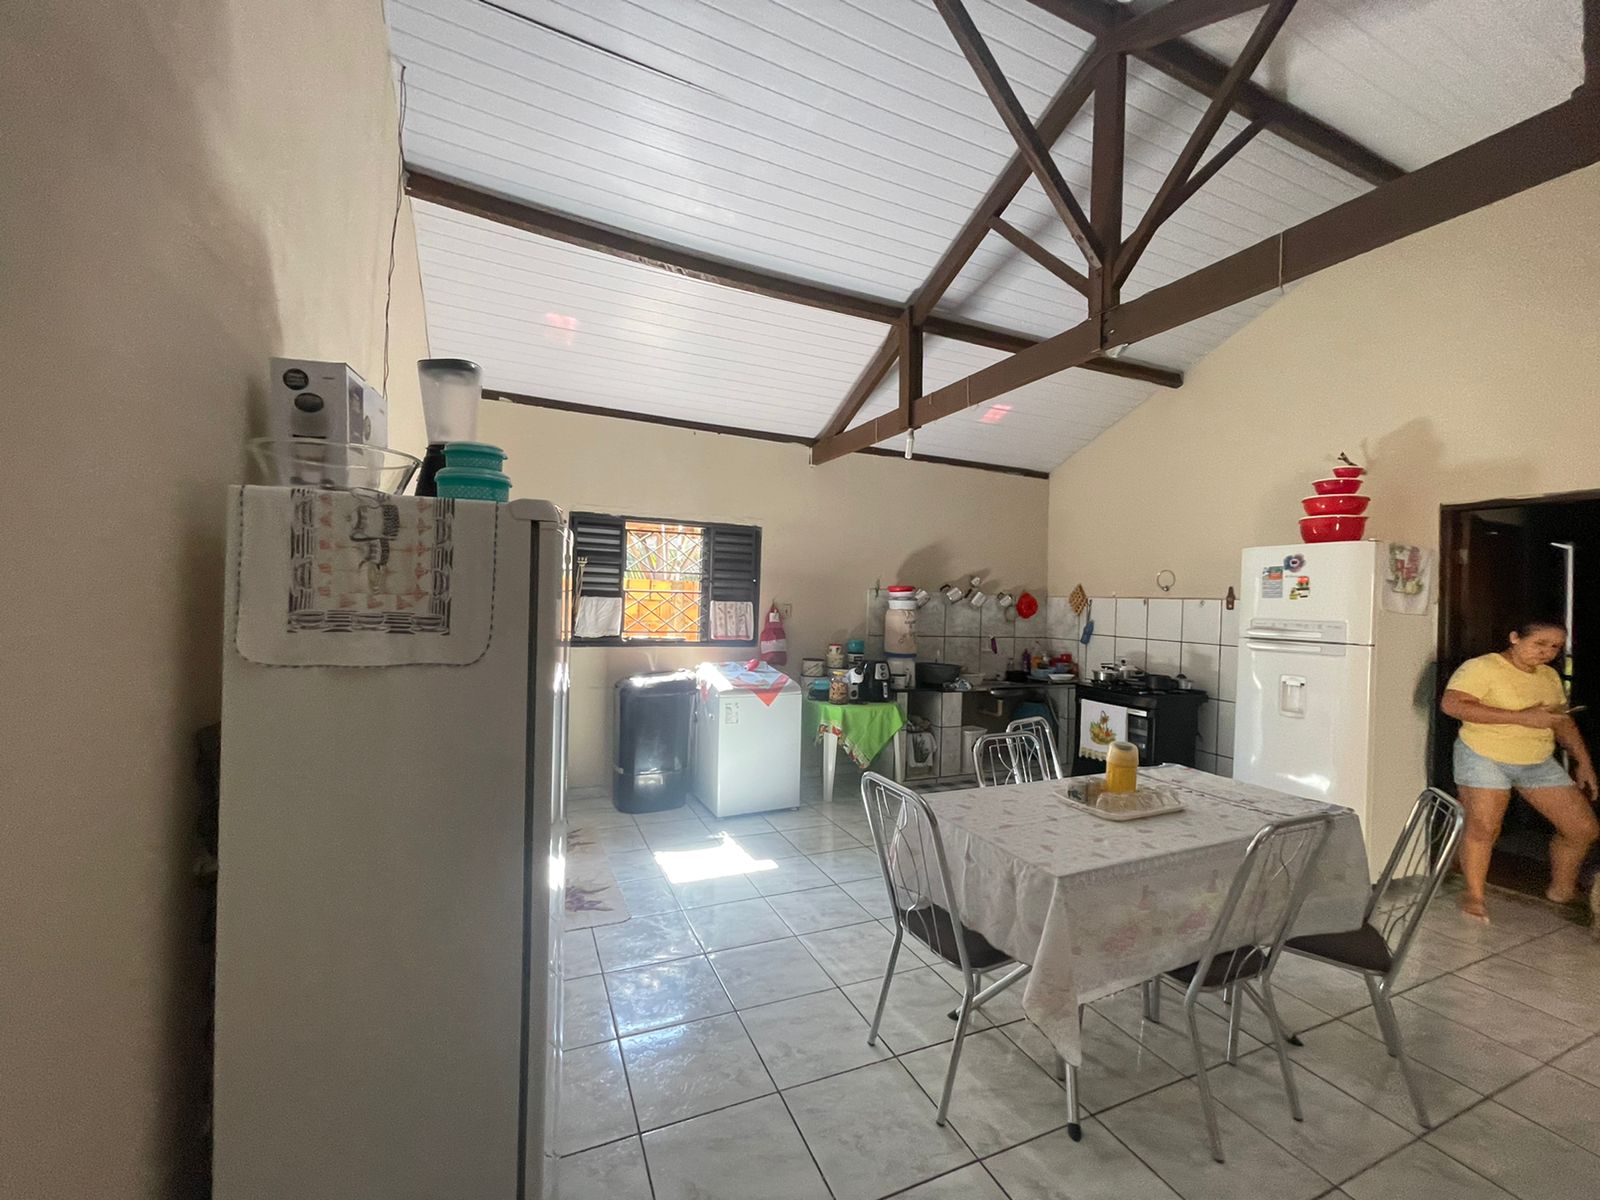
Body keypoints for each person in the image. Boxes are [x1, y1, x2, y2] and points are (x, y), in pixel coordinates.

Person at [1440, 618, 1598, 920]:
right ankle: (1474, 895)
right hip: (1484, 755)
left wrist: (1584, 761)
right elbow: (1453, 705)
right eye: (1540, 644)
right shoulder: (1483, 667)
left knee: (1582, 829)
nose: (1547, 652)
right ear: (1515, 638)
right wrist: (1521, 717)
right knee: (1484, 827)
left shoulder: (1549, 676)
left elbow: (1562, 721)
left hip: (1536, 760)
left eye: (1555, 647)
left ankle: (1562, 890)